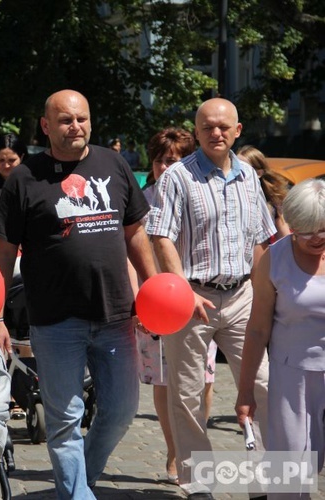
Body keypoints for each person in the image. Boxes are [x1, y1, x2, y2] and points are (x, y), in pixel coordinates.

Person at [0, 90, 157, 499]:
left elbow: (135, 232)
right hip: (55, 321)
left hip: (116, 314)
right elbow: (5, 250)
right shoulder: (24, 178)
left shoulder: (114, 164)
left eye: (82, 118)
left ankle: (83, 479)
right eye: (65, 120)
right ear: (46, 126)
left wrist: (152, 289)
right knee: (64, 420)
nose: (75, 127)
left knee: (119, 412)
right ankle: (77, 493)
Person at [146, 98, 276, 499]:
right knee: (185, 395)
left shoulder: (249, 178)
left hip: (241, 296)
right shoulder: (177, 178)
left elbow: (260, 241)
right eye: (207, 127)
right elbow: (160, 235)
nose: (216, 133)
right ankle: (199, 485)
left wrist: (267, 294)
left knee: (264, 385)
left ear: (238, 130)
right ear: (197, 131)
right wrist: (181, 289)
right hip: (191, 298)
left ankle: (269, 482)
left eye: (224, 127)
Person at [134, 127, 216, 485]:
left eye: (178, 160)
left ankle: (195, 454)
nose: (169, 168)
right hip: (154, 303)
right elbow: (131, 254)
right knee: (164, 380)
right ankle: (174, 452)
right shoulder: (140, 201)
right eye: (162, 161)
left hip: (200, 300)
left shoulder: (202, 194)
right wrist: (139, 304)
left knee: (203, 378)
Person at [235, 179, 325, 497]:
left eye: (322, 229)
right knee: (290, 474)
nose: (315, 238)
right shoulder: (275, 260)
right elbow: (258, 329)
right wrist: (246, 391)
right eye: (304, 230)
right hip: (292, 378)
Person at [237, 145, 291, 241]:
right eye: (234, 167)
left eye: (243, 169)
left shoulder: (272, 203)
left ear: (259, 173)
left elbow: (284, 239)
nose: (236, 173)